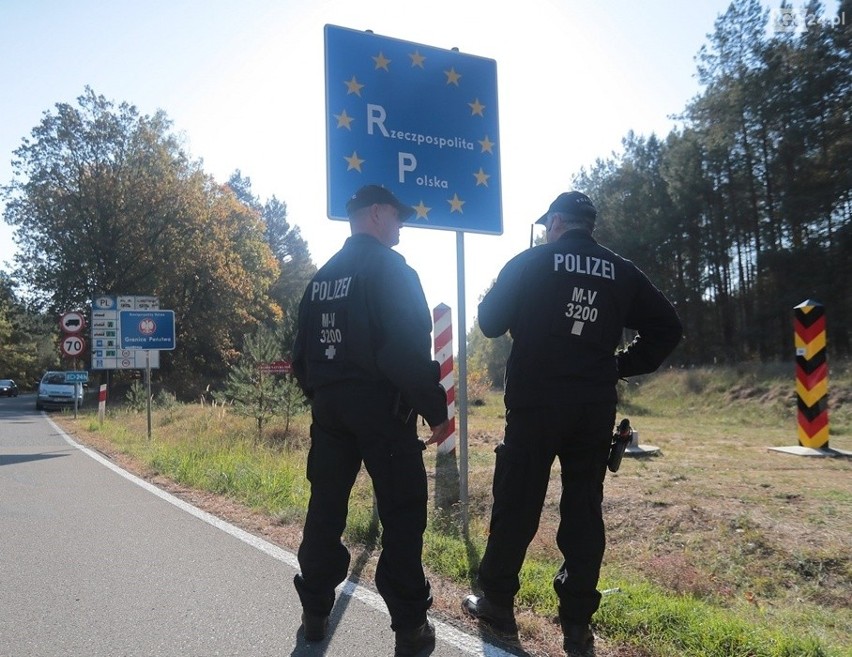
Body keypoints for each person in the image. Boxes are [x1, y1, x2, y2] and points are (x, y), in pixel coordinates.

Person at [462, 191, 683, 656]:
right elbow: (668, 327)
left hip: (536, 403)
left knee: (518, 500)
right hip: (591, 406)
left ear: (557, 222)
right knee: (583, 509)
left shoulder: (530, 262)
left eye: (548, 226)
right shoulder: (621, 270)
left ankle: (498, 601)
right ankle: (577, 626)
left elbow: (487, 322)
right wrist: (618, 365)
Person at [291, 184, 451, 657]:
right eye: (398, 217)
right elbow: (405, 351)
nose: (401, 225)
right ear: (378, 214)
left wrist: (324, 395)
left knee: (325, 509)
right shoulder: (391, 269)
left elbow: (300, 356)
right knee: (403, 514)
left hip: (331, 410)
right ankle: (410, 627)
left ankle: (315, 611)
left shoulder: (321, 278)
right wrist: (436, 411)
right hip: (383, 411)